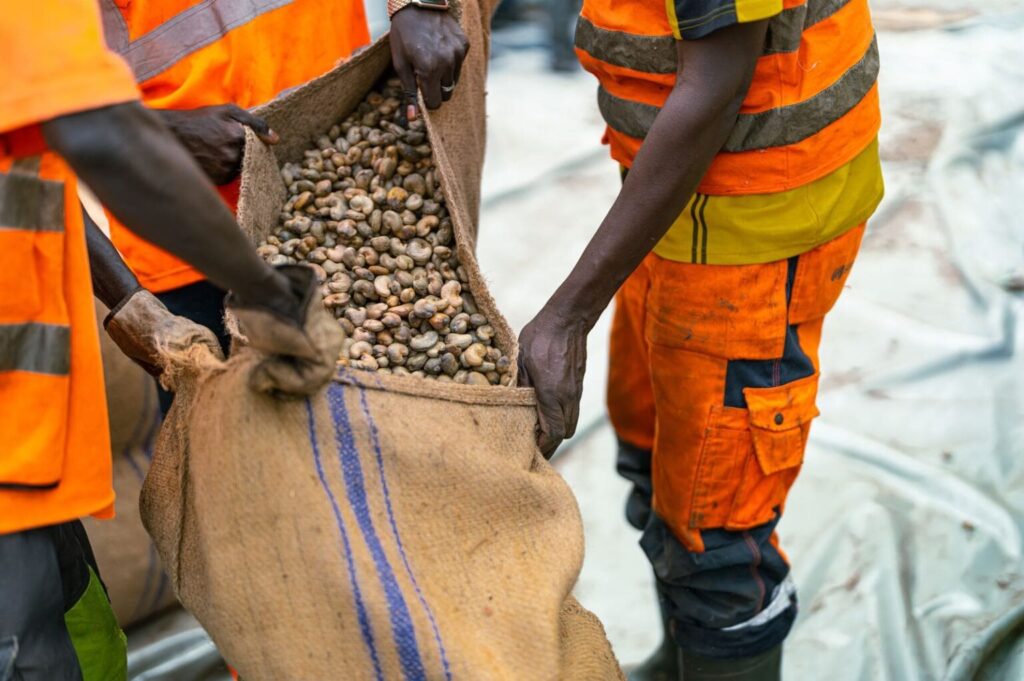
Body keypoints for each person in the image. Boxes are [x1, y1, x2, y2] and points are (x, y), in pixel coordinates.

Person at [518, 0, 883, 679]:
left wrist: (567, 314)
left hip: (756, 225)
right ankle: (680, 660)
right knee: (655, 458)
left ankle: (715, 649)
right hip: (670, 208)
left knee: (715, 534)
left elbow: (714, 85)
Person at [0, 2, 342, 678]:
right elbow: (95, 132)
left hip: (24, 447)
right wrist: (271, 295)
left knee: (83, 644)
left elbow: (30, 146)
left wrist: (125, 298)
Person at [95, 0, 470, 413]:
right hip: (183, 231)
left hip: (345, 160)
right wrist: (161, 133)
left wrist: (416, 3)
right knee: (236, 451)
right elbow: (23, 95)